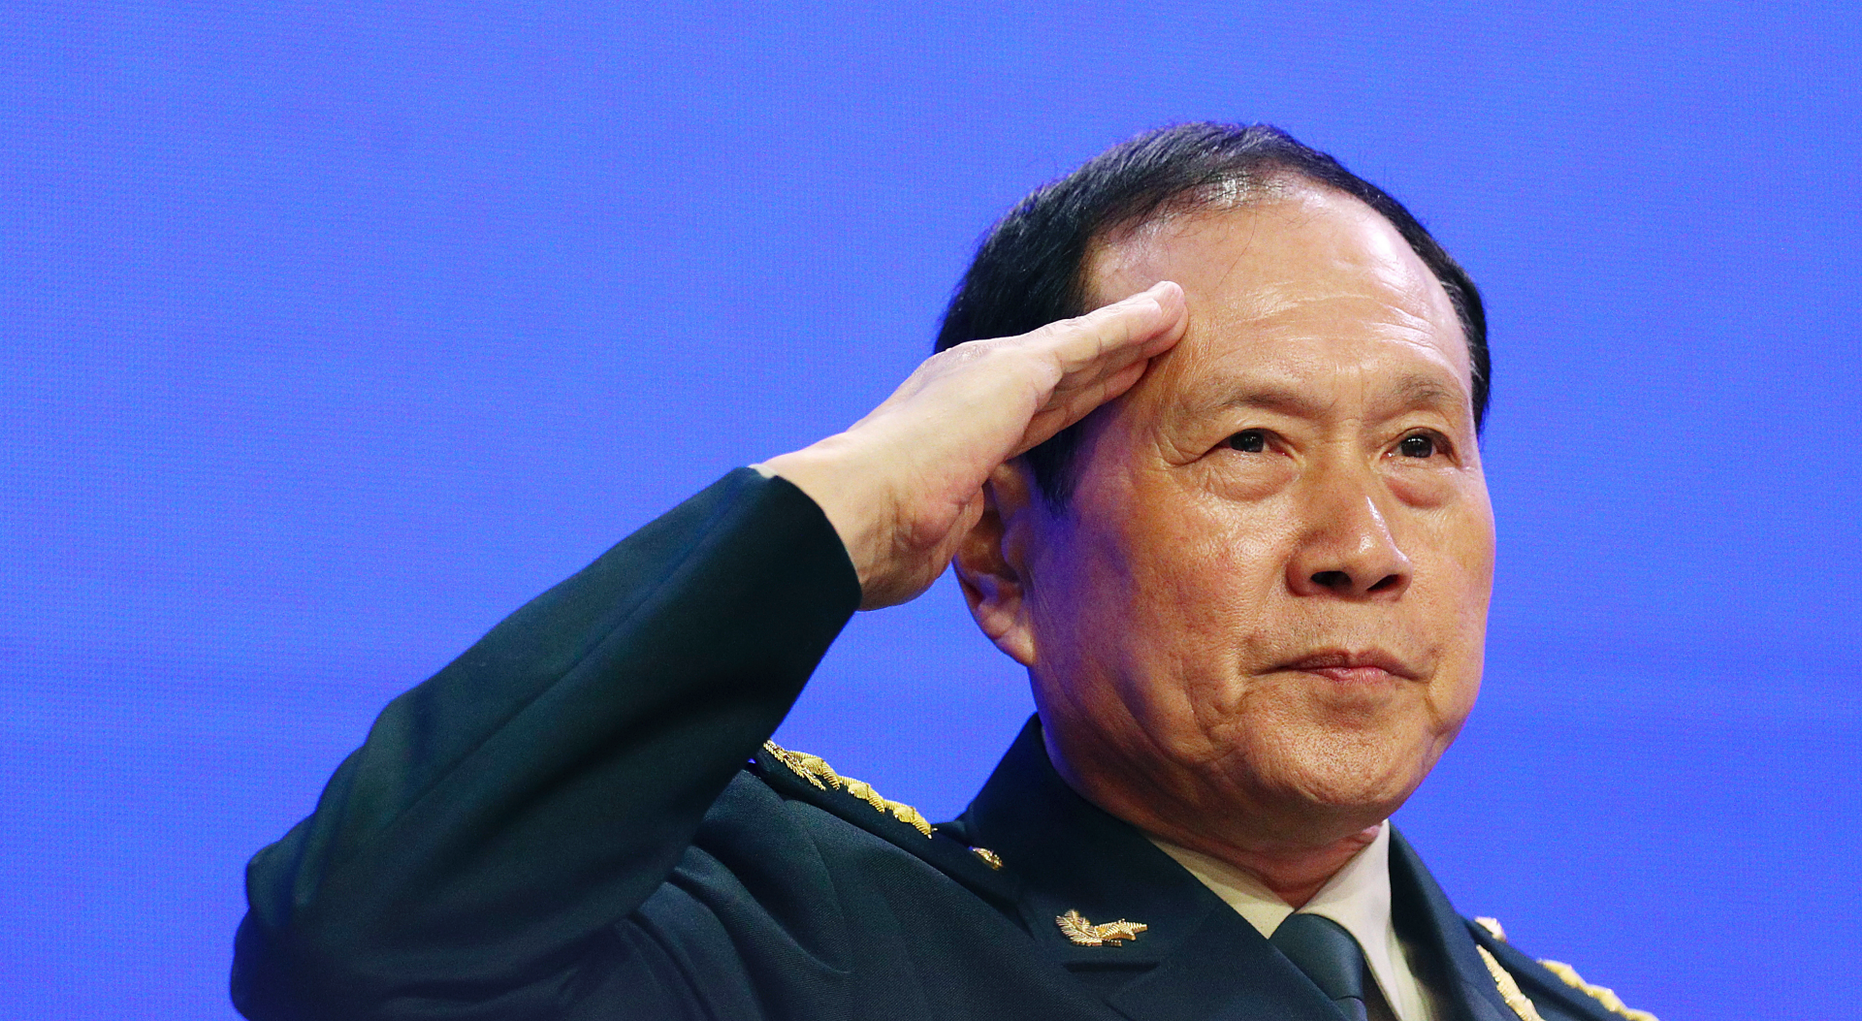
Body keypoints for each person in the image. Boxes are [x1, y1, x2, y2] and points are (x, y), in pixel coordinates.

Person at [232, 124, 1656, 1021]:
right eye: (1247, 445)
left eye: (1419, 445)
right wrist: (835, 505)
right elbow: (371, 955)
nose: (1361, 548)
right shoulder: (800, 956)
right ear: (999, 560)